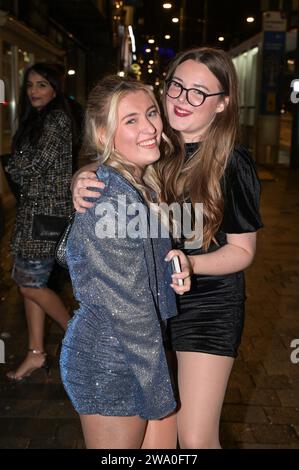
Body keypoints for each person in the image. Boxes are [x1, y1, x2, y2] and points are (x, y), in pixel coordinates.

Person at [71, 47, 263, 449]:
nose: (180, 99)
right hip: (150, 306)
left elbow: (243, 251)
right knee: (159, 435)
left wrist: (190, 264)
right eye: (176, 86)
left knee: (194, 437)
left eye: (198, 92)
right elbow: (111, 161)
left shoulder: (232, 162)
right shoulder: (156, 144)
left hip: (207, 308)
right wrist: (83, 175)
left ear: (222, 104)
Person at [60, 75, 191, 449]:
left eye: (151, 113)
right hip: (111, 359)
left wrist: (172, 267)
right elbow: (130, 310)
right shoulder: (109, 197)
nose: (150, 127)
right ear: (103, 135)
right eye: (130, 120)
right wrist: (158, 394)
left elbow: (135, 268)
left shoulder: (139, 183)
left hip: (138, 351)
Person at [4, 63, 78, 381]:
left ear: (55, 89)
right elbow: (22, 164)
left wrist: (11, 163)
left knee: (29, 283)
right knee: (30, 286)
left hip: (47, 214)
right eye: (31, 85)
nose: (35, 91)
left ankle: (78, 332)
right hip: (33, 212)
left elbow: (32, 164)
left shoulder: (57, 119)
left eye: (42, 85)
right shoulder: (37, 119)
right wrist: (15, 163)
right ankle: (36, 353)